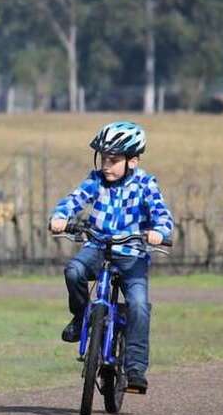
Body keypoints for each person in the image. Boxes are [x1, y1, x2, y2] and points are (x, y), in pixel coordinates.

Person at [48, 121, 173, 393]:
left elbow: (162, 215)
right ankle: (81, 317)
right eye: (104, 158)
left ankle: (135, 369)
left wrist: (159, 232)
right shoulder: (96, 181)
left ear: (133, 161)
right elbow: (75, 199)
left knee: (138, 305)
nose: (106, 165)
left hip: (131, 255)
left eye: (114, 160)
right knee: (73, 271)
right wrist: (60, 216)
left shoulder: (145, 184)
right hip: (97, 247)